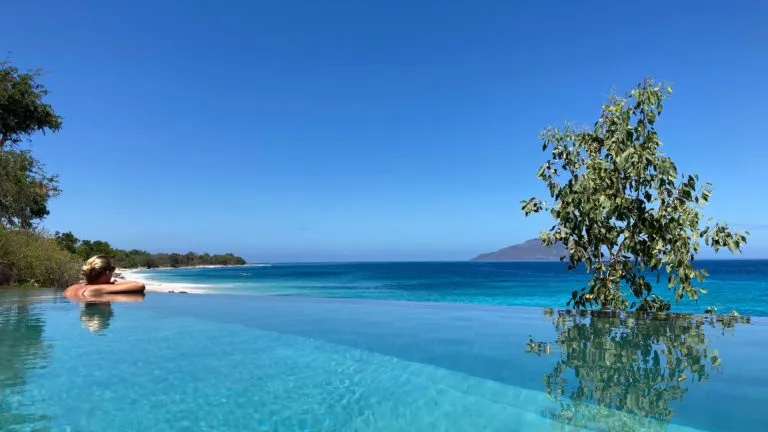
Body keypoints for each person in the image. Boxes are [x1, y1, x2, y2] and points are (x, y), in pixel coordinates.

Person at [64, 255, 146, 301]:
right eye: (112, 270)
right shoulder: (97, 289)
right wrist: (112, 283)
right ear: (107, 272)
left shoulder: (72, 287)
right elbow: (139, 285)